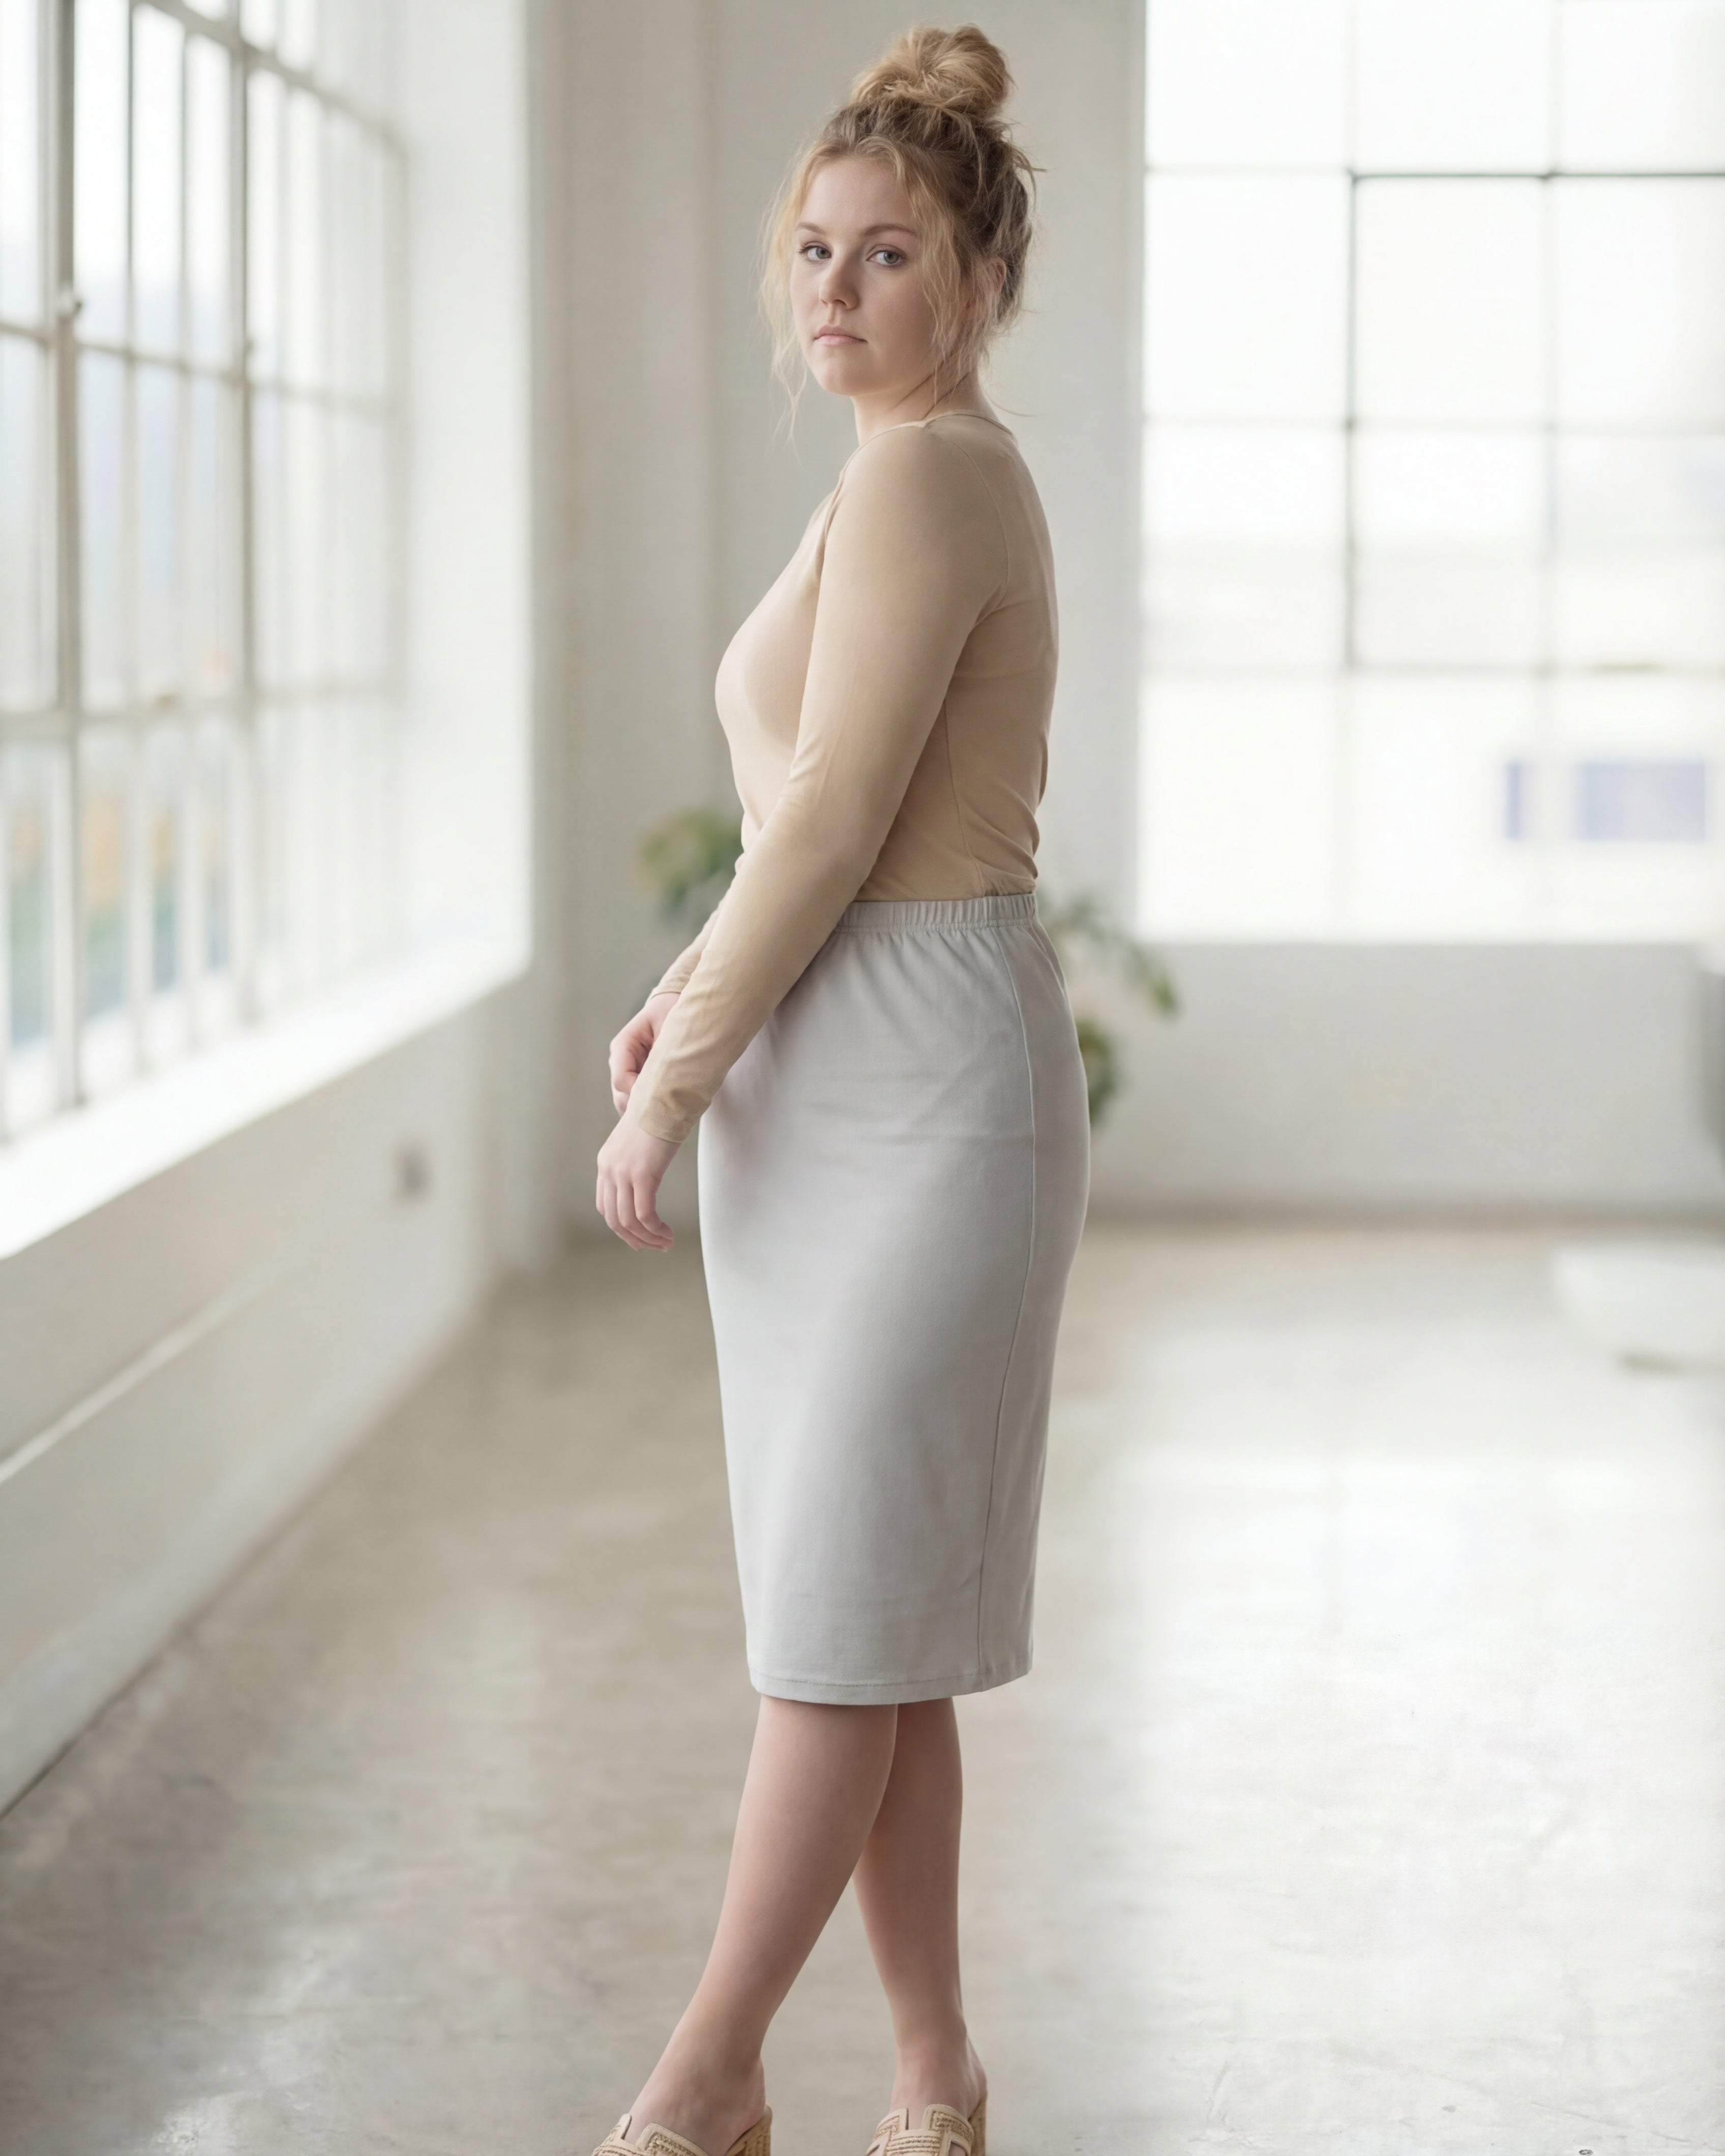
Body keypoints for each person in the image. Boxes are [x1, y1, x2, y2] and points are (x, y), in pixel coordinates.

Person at [591, 25, 1090, 2156]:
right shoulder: (874, 469)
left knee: (831, 1631)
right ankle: (930, 2071)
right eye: (809, 248)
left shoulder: (936, 472)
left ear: (970, 278)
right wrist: (681, 989)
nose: (832, 288)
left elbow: (832, 830)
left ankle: (707, 2078)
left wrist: (669, 1074)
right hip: (834, 1071)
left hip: (918, 1096)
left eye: (884, 254)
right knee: (868, 1621)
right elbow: (799, 810)